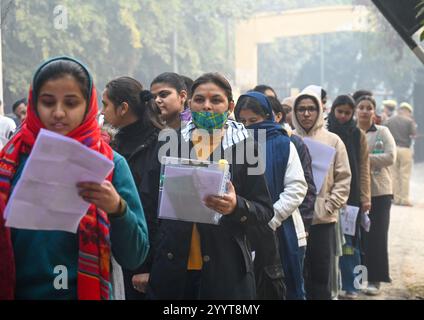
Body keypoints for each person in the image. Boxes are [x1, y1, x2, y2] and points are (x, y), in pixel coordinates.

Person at [0, 57, 149, 300]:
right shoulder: (9, 162)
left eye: (71, 103)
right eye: (48, 102)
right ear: (34, 104)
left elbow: (135, 255)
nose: (58, 113)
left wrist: (117, 208)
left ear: (87, 105)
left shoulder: (110, 164)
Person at [147, 73, 274, 299]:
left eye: (216, 100)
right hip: (172, 269)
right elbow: (148, 205)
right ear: (189, 103)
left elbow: (264, 211)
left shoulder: (247, 148)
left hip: (225, 271)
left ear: (230, 106)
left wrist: (237, 206)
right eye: (199, 100)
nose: (207, 106)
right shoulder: (169, 143)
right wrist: (144, 266)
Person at [235, 92, 308, 300]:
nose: (248, 126)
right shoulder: (234, 146)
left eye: (254, 120)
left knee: (279, 287)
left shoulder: (284, 144)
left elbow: (296, 188)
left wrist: (268, 219)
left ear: (267, 117)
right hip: (243, 227)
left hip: (279, 227)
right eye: (242, 121)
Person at [101, 76, 164, 299]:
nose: (102, 112)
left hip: (144, 260)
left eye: (105, 104)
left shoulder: (160, 144)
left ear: (123, 108)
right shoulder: (114, 145)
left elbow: (156, 208)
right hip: (121, 251)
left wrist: (145, 266)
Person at [292, 88, 351, 300]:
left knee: (320, 273)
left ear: (319, 110)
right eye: (301, 109)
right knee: (297, 272)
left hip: (322, 219)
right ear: (295, 112)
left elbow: (343, 177)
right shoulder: (288, 137)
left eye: (310, 109)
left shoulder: (333, 140)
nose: (306, 114)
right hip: (293, 218)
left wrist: (330, 205)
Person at [327, 95, 371, 300]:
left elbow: (363, 167)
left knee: (351, 243)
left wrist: (365, 197)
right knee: (331, 243)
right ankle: (333, 284)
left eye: (347, 113)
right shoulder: (326, 132)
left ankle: (352, 286)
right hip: (327, 196)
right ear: (333, 110)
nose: (343, 116)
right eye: (340, 112)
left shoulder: (357, 134)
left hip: (352, 198)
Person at [357, 95, 396, 296]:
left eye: (368, 108)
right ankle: (357, 279)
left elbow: (390, 156)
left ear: (374, 111)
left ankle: (375, 279)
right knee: (356, 238)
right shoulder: (352, 132)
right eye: (361, 107)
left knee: (377, 236)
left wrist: (364, 159)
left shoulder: (382, 132)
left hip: (380, 192)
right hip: (356, 192)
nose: (364, 111)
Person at [384, 102, 416, 206]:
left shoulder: (390, 120)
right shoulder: (409, 121)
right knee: (405, 175)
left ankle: (396, 198)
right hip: (405, 149)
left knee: (394, 175)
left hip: (393, 149)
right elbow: (413, 134)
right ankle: (404, 199)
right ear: (407, 111)